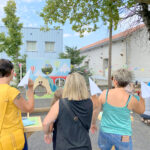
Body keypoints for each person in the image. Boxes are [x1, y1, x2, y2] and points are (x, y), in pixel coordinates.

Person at [91, 68, 145, 150]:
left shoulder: (105, 93)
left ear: (115, 81)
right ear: (128, 82)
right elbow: (141, 111)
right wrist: (141, 97)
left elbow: (96, 110)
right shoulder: (131, 99)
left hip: (105, 131)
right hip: (123, 135)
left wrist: (93, 124)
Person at [43, 72, 93, 150]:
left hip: (64, 146)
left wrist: (47, 134)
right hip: (84, 146)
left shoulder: (60, 103)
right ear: (83, 86)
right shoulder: (90, 102)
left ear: (67, 86)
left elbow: (46, 123)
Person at [0, 59, 34, 150]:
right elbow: (29, 108)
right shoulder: (11, 92)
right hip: (12, 141)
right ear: (11, 72)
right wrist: (30, 88)